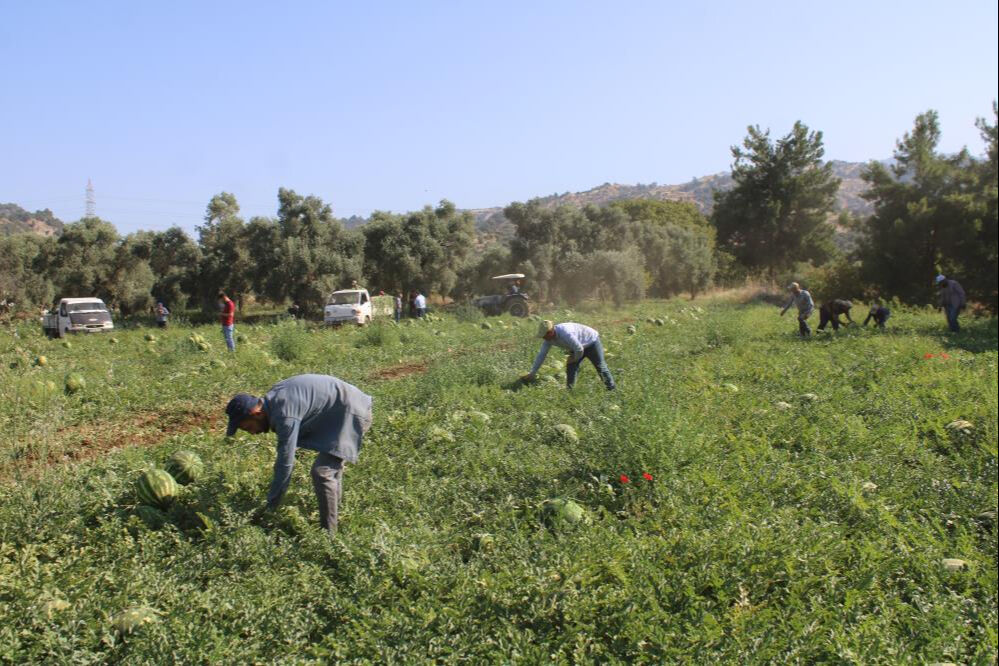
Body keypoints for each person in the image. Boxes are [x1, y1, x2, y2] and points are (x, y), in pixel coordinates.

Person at [225, 374, 373, 534]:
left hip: (352, 413)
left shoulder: (284, 414)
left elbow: (285, 464)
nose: (252, 433)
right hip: (344, 410)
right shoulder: (274, 398)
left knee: (323, 473)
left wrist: (270, 508)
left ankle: (330, 538)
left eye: (248, 428)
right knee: (331, 469)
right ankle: (337, 518)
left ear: (257, 413)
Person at [523, 320, 616, 390]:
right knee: (571, 366)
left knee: (600, 366)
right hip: (577, 346)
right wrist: (533, 373)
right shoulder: (548, 340)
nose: (544, 338)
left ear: (550, 332)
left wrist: (574, 358)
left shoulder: (565, 333)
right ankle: (570, 390)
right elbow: (541, 355)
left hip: (591, 342)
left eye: (544, 336)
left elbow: (579, 349)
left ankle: (612, 389)